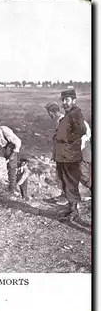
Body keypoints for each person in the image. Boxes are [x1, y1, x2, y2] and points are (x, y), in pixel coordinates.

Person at [45, 101, 91, 202]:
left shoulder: (63, 120)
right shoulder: (59, 120)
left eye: (48, 112)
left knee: (82, 175)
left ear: (50, 112)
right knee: (62, 175)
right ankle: (65, 195)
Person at [54, 90, 88, 223]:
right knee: (66, 182)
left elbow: (82, 131)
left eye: (67, 100)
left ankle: (74, 212)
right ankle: (71, 207)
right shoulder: (69, 114)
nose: (64, 103)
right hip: (64, 156)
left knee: (71, 183)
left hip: (70, 156)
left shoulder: (75, 113)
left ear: (74, 100)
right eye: (62, 100)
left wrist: (67, 140)